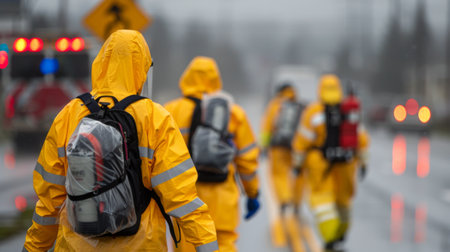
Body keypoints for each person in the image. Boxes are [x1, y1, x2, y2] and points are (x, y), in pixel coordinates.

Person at [23, 30, 218, 252]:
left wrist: (32, 249)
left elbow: (49, 204)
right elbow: (183, 200)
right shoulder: (154, 117)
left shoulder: (69, 115)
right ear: (142, 68)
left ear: (101, 62)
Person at [164, 56, 260, 252]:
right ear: (216, 80)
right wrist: (252, 193)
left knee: (186, 245)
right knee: (223, 245)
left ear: (187, 78)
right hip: (223, 202)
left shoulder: (170, 111)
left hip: (186, 202)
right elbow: (247, 159)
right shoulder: (234, 113)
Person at [292, 74, 369, 252]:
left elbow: (302, 142)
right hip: (347, 164)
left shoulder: (313, 112)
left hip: (321, 164)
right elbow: (362, 139)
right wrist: (364, 163)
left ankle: (331, 238)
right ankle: (341, 233)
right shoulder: (349, 110)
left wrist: (297, 166)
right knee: (343, 201)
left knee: (321, 201)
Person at [260, 83, 305, 215]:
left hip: (278, 147)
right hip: (296, 147)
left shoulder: (275, 105)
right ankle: (296, 202)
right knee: (298, 174)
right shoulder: (300, 106)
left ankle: (284, 199)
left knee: (279, 174)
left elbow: (266, 127)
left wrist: (264, 146)